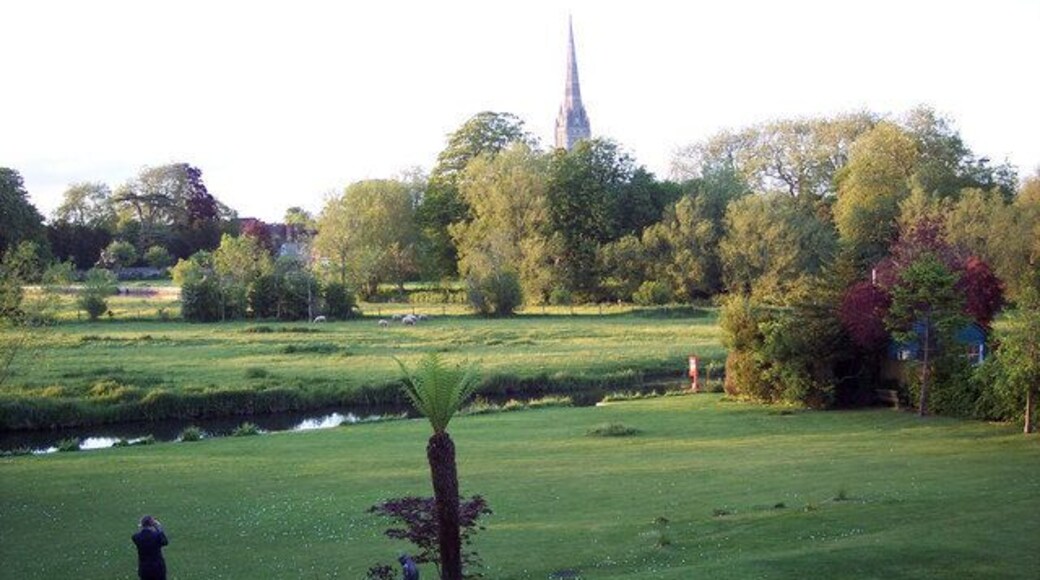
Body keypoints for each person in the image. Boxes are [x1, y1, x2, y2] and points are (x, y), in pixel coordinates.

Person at [131, 515, 168, 580]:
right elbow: (165, 542)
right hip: (158, 567)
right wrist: (159, 528)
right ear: (152, 524)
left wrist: (141, 528)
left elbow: (137, 535)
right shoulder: (157, 536)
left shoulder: (136, 537)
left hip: (144, 568)